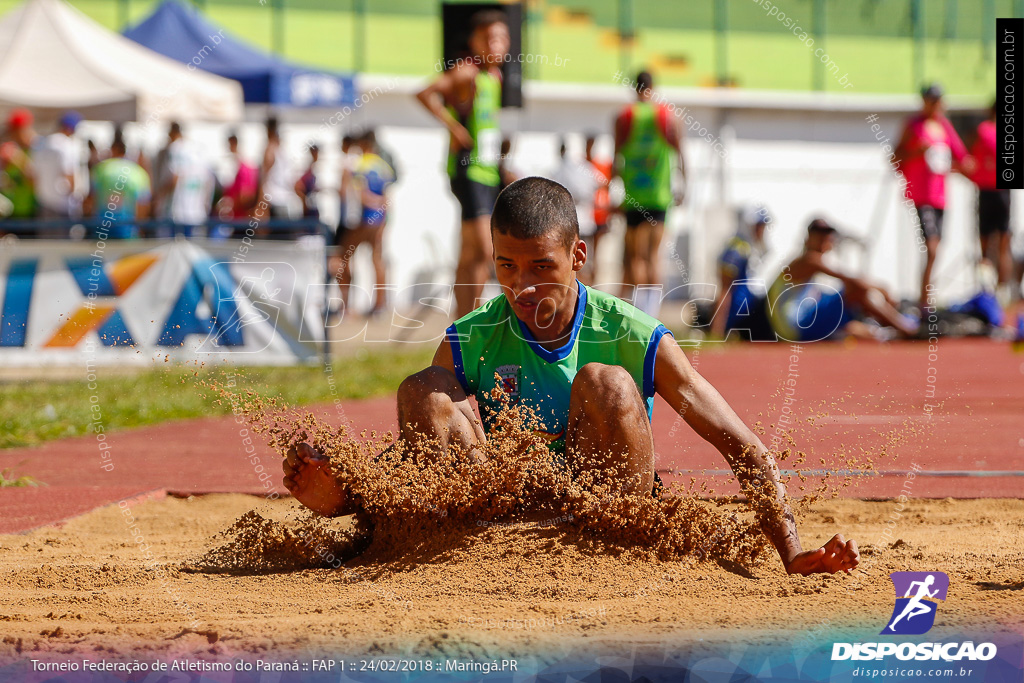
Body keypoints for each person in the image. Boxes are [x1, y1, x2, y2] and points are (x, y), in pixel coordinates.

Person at [283, 177, 860, 576]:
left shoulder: (634, 333)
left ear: (578, 257)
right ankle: (448, 551)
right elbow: (420, 464)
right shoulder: (469, 339)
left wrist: (792, 550)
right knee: (423, 392)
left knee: (605, 382)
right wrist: (338, 494)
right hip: (504, 522)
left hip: (602, 520)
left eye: (542, 267)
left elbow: (743, 446)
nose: (523, 286)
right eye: (506, 267)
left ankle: (617, 550)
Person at [416, 9, 510, 317]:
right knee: (485, 248)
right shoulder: (466, 71)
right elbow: (425, 93)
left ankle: (462, 324)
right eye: (490, 38)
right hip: (468, 170)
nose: (498, 44)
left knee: (471, 252)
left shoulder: (494, 77)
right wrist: (453, 127)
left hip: (487, 170)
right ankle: (472, 319)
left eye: (502, 37)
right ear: (475, 41)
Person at [768, 219, 917, 342]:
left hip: (798, 327)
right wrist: (882, 289)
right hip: (796, 328)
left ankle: (889, 333)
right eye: (818, 235)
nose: (823, 240)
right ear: (808, 238)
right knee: (855, 292)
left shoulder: (806, 264)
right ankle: (908, 329)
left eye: (826, 236)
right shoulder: (809, 260)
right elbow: (851, 280)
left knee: (850, 320)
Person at [613, 70, 686, 318]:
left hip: (634, 196)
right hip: (659, 198)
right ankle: (651, 315)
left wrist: (615, 190)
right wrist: (683, 185)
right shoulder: (668, 116)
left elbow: (616, 160)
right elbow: (681, 154)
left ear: (635, 88)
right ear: (653, 88)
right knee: (654, 257)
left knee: (635, 258)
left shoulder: (623, 117)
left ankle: (636, 314)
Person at [894, 84, 973, 311]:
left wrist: (965, 166)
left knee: (936, 247)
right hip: (921, 195)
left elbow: (962, 158)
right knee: (931, 247)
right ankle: (924, 300)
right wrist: (915, 152)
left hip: (940, 196)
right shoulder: (914, 126)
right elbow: (895, 158)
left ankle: (926, 296)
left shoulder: (944, 127)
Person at [335, 130, 396, 316]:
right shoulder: (383, 165)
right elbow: (387, 197)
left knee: (343, 258)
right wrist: (382, 211)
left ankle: (345, 306)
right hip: (379, 221)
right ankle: (380, 306)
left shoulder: (359, 165)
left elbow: (358, 194)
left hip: (361, 221)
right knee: (377, 259)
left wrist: (372, 204)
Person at [970, 102, 1013, 305]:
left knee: (996, 245)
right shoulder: (986, 130)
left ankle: (997, 293)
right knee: (995, 245)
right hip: (994, 191)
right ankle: (993, 293)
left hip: (995, 192)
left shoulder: (988, 131)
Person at [711, 206, 774, 341]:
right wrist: (717, 331)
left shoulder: (751, 247)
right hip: (738, 315)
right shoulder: (736, 250)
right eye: (758, 225)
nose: (762, 230)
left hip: (749, 311)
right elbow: (725, 290)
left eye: (763, 225)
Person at [551, 138, 599, 284]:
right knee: (584, 261)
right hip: (583, 221)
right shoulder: (586, 168)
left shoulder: (564, 169)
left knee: (575, 261)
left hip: (571, 222)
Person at [85, 133, 151, 240]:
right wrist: (140, 229)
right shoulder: (138, 172)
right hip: (128, 231)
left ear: (113, 150)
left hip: (101, 229)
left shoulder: (101, 168)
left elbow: (91, 199)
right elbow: (143, 206)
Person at [33, 111, 83, 234]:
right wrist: (75, 197)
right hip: (62, 205)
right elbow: (69, 174)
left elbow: (34, 174)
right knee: (64, 247)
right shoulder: (66, 145)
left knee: (47, 246)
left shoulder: (42, 143)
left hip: (44, 202)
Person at [165, 126, 215, 237]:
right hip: (197, 214)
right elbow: (209, 184)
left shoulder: (176, 148)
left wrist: (161, 196)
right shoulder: (200, 151)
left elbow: (174, 179)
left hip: (179, 213)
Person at [0, 109, 38, 231]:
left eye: (15, 129)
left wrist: (19, 161)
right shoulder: (11, 149)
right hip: (11, 211)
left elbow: (34, 181)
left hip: (30, 212)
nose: (11, 133)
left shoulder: (36, 150)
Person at [217, 131, 259, 234]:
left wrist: (229, 206)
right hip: (235, 220)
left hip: (240, 220)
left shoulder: (244, 167)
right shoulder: (237, 165)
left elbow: (245, 195)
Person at [585, 134, 612, 279]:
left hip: (600, 212)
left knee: (596, 252)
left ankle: (594, 280)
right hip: (588, 215)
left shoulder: (602, 165)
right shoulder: (584, 164)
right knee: (586, 250)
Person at [261, 116, 295, 233]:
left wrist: (260, 206)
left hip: (273, 201)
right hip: (285, 200)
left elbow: (264, 180)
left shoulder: (270, 150)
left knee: (273, 242)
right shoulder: (283, 151)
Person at [294, 143, 321, 235]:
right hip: (309, 209)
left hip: (313, 207)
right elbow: (298, 186)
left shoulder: (314, 168)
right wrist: (304, 201)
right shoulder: (308, 168)